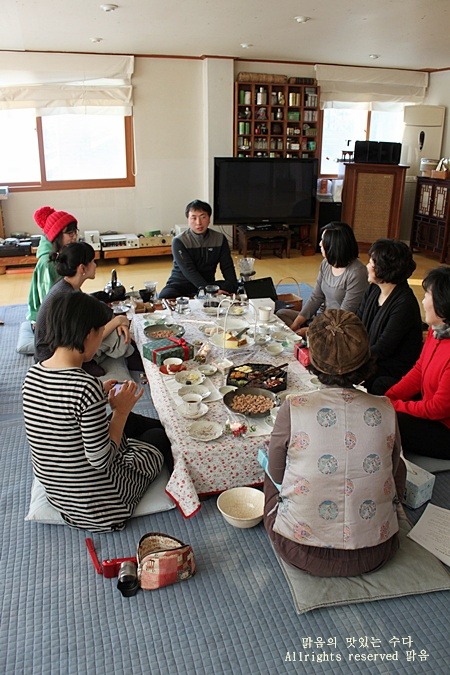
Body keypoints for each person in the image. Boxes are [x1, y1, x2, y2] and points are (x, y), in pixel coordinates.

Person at [264, 309, 406, 577]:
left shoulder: (294, 407)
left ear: (311, 359)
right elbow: (395, 470)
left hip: (300, 550)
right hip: (377, 549)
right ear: (365, 358)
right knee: (392, 465)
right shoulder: (386, 408)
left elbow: (277, 472)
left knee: (269, 466)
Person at [23, 292, 172, 532]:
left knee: (138, 423)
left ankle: (152, 430)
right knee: (158, 437)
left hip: (61, 494)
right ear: (88, 334)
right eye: (101, 332)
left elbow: (62, 410)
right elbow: (100, 459)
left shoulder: (33, 375)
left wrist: (102, 395)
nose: (102, 338)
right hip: (101, 505)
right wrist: (120, 411)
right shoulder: (84, 386)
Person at [34, 242, 134, 370]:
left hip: (56, 347)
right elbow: (84, 337)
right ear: (82, 268)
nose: (95, 265)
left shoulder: (66, 285)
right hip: (51, 357)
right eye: (92, 261)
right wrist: (118, 321)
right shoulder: (67, 296)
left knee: (112, 329)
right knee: (116, 336)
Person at [386, 266, 450, 460]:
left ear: (443, 303)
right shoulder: (437, 330)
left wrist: (395, 406)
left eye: (427, 295)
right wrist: (390, 396)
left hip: (445, 428)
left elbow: (439, 408)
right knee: (382, 391)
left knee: (391, 421)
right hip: (431, 409)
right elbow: (419, 369)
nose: (423, 301)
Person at [276, 221, 368, 335]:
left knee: (311, 338)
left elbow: (343, 315)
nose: (320, 244)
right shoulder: (326, 263)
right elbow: (316, 297)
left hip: (338, 328)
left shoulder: (357, 273)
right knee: (281, 314)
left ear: (334, 246)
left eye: (323, 241)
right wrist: (295, 325)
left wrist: (310, 331)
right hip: (320, 319)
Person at [357, 239, 423, 395]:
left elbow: (383, 348)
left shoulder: (404, 303)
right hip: (370, 359)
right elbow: (356, 322)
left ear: (383, 269)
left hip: (391, 368)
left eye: (371, 263)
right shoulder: (373, 289)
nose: (366, 266)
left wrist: (350, 361)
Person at [159, 199, 238, 299]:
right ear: (188, 220)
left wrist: (233, 287)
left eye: (203, 217)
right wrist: (208, 290)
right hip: (181, 284)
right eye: (193, 218)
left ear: (209, 219)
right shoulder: (179, 241)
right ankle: (200, 294)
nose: (198, 222)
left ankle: (201, 295)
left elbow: (227, 266)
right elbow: (189, 270)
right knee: (165, 296)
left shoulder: (220, 239)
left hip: (208, 282)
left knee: (232, 285)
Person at [26, 206, 78, 323]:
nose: (74, 237)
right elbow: (50, 301)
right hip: (47, 319)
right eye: (70, 233)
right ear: (57, 236)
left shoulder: (61, 252)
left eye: (75, 232)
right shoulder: (48, 263)